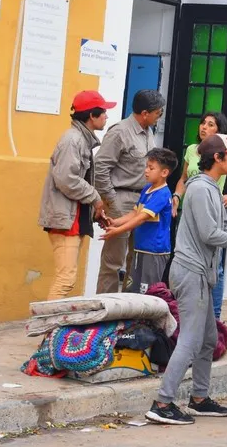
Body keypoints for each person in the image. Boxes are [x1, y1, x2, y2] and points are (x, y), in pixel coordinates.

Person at [146, 133, 227, 425]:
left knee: (208, 338)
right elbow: (210, 235)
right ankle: (162, 402)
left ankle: (199, 399)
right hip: (191, 272)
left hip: (201, 272)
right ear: (217, 158)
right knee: (190, 340)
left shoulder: (212, 188)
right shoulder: (202, 189)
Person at [173, 112, 227, 320]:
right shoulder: (192, 151)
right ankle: (195, 314)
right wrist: (176, 196)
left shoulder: (224, 155)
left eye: (211, 125)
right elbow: (183, 178)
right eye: (203, 123)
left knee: (214, 265)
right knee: (193, 255)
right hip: (192, 207)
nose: (204, 127)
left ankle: (213, 316)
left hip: (212, 208)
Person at [39, 91, 116, 300]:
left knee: (66, 278)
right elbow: (66, 179)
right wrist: (95, 197)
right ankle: (51, 331)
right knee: (65, 280)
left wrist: (94, 212)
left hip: (71, 218)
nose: (107, 117)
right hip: (65, 222)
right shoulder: (73, 140)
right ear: (92, 115)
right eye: (104, 113)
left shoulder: (79, 139)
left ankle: (52, 330)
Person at [94, 89, 166, 294]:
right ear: (145, 113)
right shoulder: (120, 132)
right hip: (121, 198)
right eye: (157, 112)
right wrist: (110, 200)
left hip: (142, 200)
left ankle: (128, 309)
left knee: (136, 260)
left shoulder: (149, 132)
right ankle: (106, 309)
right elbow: (100, 167)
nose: (159, 116)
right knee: (113, 261)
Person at [100, 148, 178, 294]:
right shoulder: (147, 188)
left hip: (154, 252)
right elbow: (135, 213)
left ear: (164, 173)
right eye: (146, 166)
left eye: (151, 168)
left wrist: (117, 231)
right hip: (140, 248)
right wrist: (115, 222)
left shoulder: (162, 194)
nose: (146, 171)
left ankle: (148, 318)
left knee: (148, 293)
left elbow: (141, 219)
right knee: (133, 290)